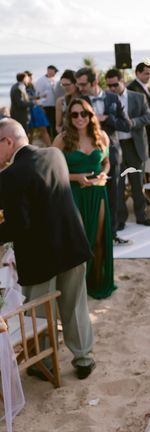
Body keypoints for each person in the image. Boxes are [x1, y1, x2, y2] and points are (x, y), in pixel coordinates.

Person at [0, 118, 96, 379]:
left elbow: (19, 224)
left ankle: (45, 364)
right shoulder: (55, 156)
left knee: (40, 313)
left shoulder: (9, 176)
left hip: (40, 257)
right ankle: (84, 358)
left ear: (8, 141)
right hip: (73, 244)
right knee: (75, 305)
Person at [52, 98, 116, 300]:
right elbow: (51, 170)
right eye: (74, 114)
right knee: (80, 241)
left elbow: (107, 162)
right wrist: (75, 178)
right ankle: (77, 286)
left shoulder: (101, 136)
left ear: (90, 115)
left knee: (98, 239)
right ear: (69, 118)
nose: (80, 118)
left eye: (84, 114)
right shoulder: (62, 139)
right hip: (73, 193)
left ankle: (96, 281)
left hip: (98, 192)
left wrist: (104, 174)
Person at [76, 67, 131, 246]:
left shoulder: (113, 98)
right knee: (92, 196)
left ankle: (111, 235)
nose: (80, 88)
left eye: (83, 84)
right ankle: (91, 235)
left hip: (112, 154)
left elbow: (127, 125)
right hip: (88, 157)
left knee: (113, 195)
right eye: (78, 84)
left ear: (94, 83)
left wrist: (107, 118)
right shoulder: (78, 101)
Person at [104, 69, 150, 229]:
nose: (112, 88)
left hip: (134, 145)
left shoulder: (138, 97)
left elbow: (149, 117)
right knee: (117, 185)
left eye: (115, 84)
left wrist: (132, 122)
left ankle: (142, 215)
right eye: (109, 85)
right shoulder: (105, 99)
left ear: (122, 81)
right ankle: (120, 219)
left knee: (137, 183)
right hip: (115, 146)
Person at [128, 61, 150, 158]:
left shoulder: (146, 87)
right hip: (142, 130)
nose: (149, 76)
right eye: (146, 73)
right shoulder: (133, 88)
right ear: (137, 73)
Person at [34, 65, 58, 138]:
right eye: (54, 71)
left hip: (54, 105)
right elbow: (37, 95)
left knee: (54, 123)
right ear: (49, 70)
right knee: (47, 124)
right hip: (45, 106)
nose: (55, 73)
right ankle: (50, 138)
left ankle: (54, 137)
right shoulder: (40, 81)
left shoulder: (55, 80)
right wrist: (41, 105)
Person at [55, 69, 80, 133]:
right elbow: (58, 126)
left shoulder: (85, 99)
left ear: (76, 83)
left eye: (67, 84)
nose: (65, 87)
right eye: (63, 85)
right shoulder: (61, 101)